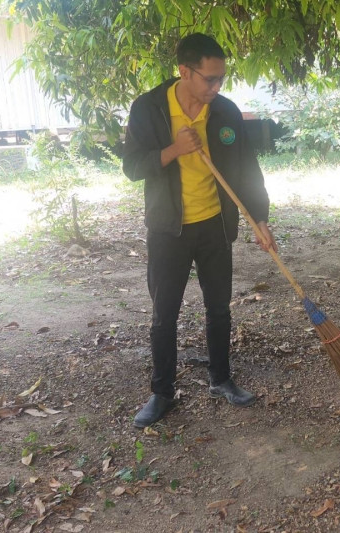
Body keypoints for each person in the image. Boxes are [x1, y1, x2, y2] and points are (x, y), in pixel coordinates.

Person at [122, 33, 276, 428]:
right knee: (164, 313)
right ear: (185, 71)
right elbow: (132, 167)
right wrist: (174, 150)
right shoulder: (149, 109)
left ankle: (221, 379)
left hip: (214, 225)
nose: (216, 87)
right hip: (167, 229)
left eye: (221, 78)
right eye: (209, 79)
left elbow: (246, 169)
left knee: (219, 307)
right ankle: (162, 392)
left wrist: (259, 217)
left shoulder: (224, 112)